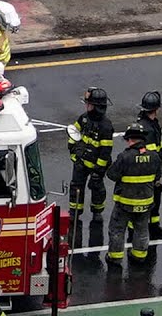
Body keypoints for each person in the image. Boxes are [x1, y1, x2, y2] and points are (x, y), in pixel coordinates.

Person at [106, 123, 162, 266]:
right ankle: (139, 256)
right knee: (142, 230)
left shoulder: (125, 157)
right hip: (145, 203)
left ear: (130, 139)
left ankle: (115, 258)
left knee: (117, 230)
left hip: (124, 203)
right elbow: (157, 176)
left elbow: (112, 175)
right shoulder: (154, 157)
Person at [68, 87, 114, 222]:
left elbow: (106, 151)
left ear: (97, 107)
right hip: (81, 162)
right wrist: (73, 151)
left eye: (89, 104)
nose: (86, 106)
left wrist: (98, 171)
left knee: (97, 188)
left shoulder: (106, 126)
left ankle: (97, 211)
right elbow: (74, 133)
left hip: (96, 165)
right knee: (76, 186)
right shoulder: (84, 119)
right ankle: (75, 212)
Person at [135, 92, 162, 239]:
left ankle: (153, 226)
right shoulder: (149, 129)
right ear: (155, 109)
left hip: (147, 172)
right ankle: (150, 229)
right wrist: (157, 177)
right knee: (150, 202)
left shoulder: (147, 124)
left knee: (151, 202)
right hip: (149, 174)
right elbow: (152, 155)